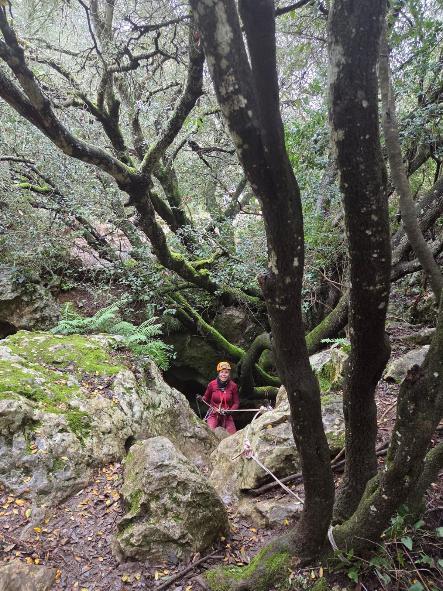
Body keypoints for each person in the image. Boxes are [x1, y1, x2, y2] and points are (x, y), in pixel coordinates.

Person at [198, 361, 239, 434]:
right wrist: (201, 399)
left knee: (233, 435)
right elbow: (206, 398)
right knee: (210, 433)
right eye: (222, 372)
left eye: (226, 372)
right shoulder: (212, 384)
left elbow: (236, 402)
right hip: (213, 413)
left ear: (229, 374)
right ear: (219, 373)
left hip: (227, 414)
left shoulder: (233, 386)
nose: (224, 374)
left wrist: (230, 411)